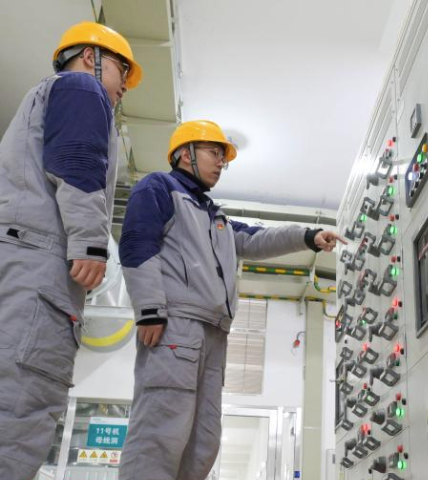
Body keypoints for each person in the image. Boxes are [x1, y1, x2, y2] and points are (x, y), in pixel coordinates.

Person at [0, 21, 142, 480]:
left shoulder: (48, 97)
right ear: (90, 58)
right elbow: (78, 159)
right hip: (34, 259)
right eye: (123, 70)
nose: (124, 87)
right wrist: (90, 242)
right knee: (16, 400)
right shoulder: (82, 88)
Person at [118, 120, 345, 480]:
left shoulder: (214, 216)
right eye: (214, 152)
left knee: (203, 442)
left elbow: (256, 239)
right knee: (161, 433)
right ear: (183, 153)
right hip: (176, 327)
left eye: (224, 157)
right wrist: (149, 310)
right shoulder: (158, 188)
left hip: (214, 335)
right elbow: (135, 244)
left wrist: (309, 235)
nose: (221, 162)